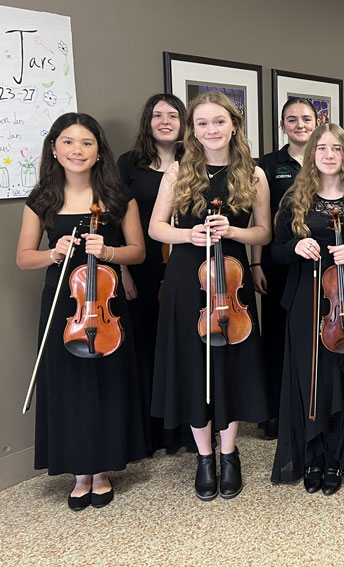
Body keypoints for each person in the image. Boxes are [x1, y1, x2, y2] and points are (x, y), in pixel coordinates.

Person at [16, 112, 147, 510]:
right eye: (69, 142)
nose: (78, 150)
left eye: (87, 143)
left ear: (99, 151)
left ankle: (103, 469)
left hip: (105, 303)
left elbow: (138, 252)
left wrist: (107, 251)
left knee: (106, 382)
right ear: (54, 149)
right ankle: (79, 473)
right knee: (69, 384)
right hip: (63, 304)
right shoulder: (42, 199)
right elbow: (23, 258)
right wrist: (52, 254)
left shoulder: (118, 196)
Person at [149, 90, 271, 501]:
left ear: (234, 125)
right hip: (188, 276)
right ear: (193, 130)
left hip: (231, 279)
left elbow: (264, 233)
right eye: (202, 123)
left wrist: (233, 232)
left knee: (230, 363)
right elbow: (155, 228)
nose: (211, 129)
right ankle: (204, 458)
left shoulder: (253, 174)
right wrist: (188, 234)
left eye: (218, 121)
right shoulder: (178, 171)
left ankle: (229, 453)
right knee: (193, 365)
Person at [270, 124, 344, 496]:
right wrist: (295, 249)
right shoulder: (294, 200)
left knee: (343, 375)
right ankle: (313, 455)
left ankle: (337, 456)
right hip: (305, 298)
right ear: (311, 154)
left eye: (336, 148)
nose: (329, 154)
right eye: (322, 148)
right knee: (309, 377)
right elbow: (275, 251)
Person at [118, 93, 189, 455]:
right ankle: (155, 433)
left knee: (186, 346)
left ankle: (188, 430)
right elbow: (116, 221)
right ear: (148, 121)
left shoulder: (194, 162)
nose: (165, 121)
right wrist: (124, 271)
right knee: (148, 345)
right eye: (157, 115)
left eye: (173, 115)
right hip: (143, 267)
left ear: (182, 122)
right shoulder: (128, 164)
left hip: (187, 266)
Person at [254, 98, 318, 439]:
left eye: (306, 119)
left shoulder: (326, 157)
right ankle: (277, 411)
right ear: (283, 126)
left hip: (317, 262)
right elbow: (259, 218)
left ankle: (311, 403)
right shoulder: (268, 165)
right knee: (278, 334)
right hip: (279, 261)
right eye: (292, 120)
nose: (300, 125)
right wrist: (255, 263)